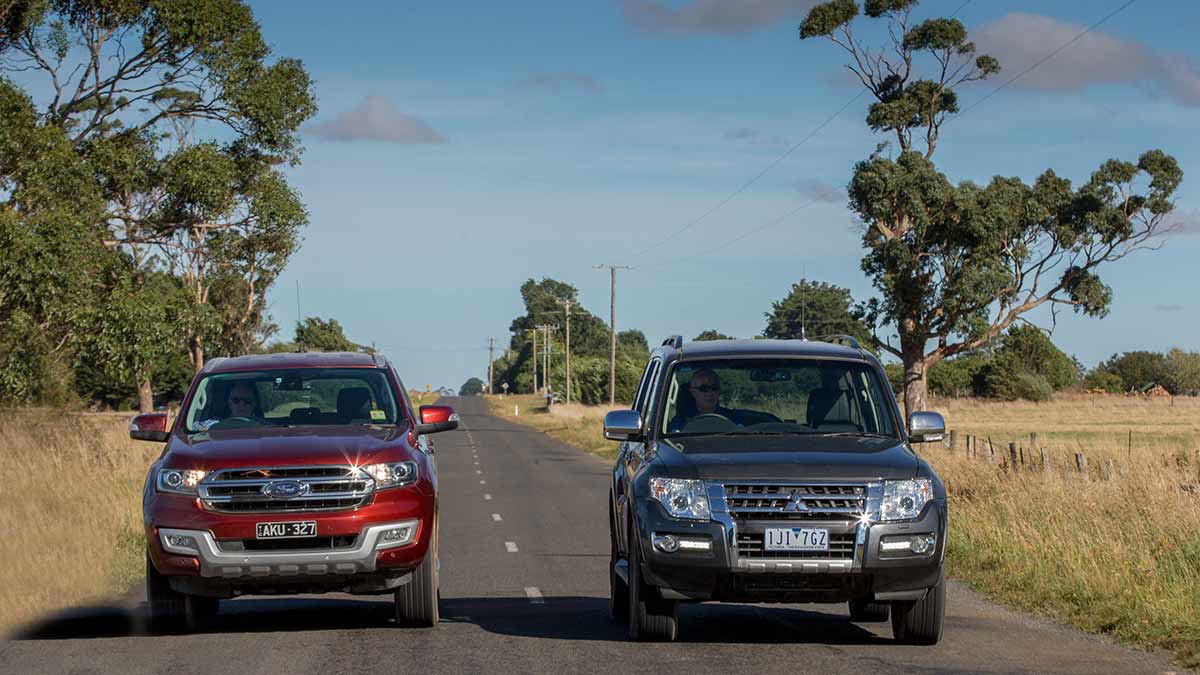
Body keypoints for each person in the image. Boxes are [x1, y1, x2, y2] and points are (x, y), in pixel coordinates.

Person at [668, 368, 739, 431]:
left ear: (719, 391)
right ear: (693, 392)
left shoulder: (732, 417)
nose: (710, 393)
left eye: (714, 388)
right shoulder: (681, 421)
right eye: (704, 388)